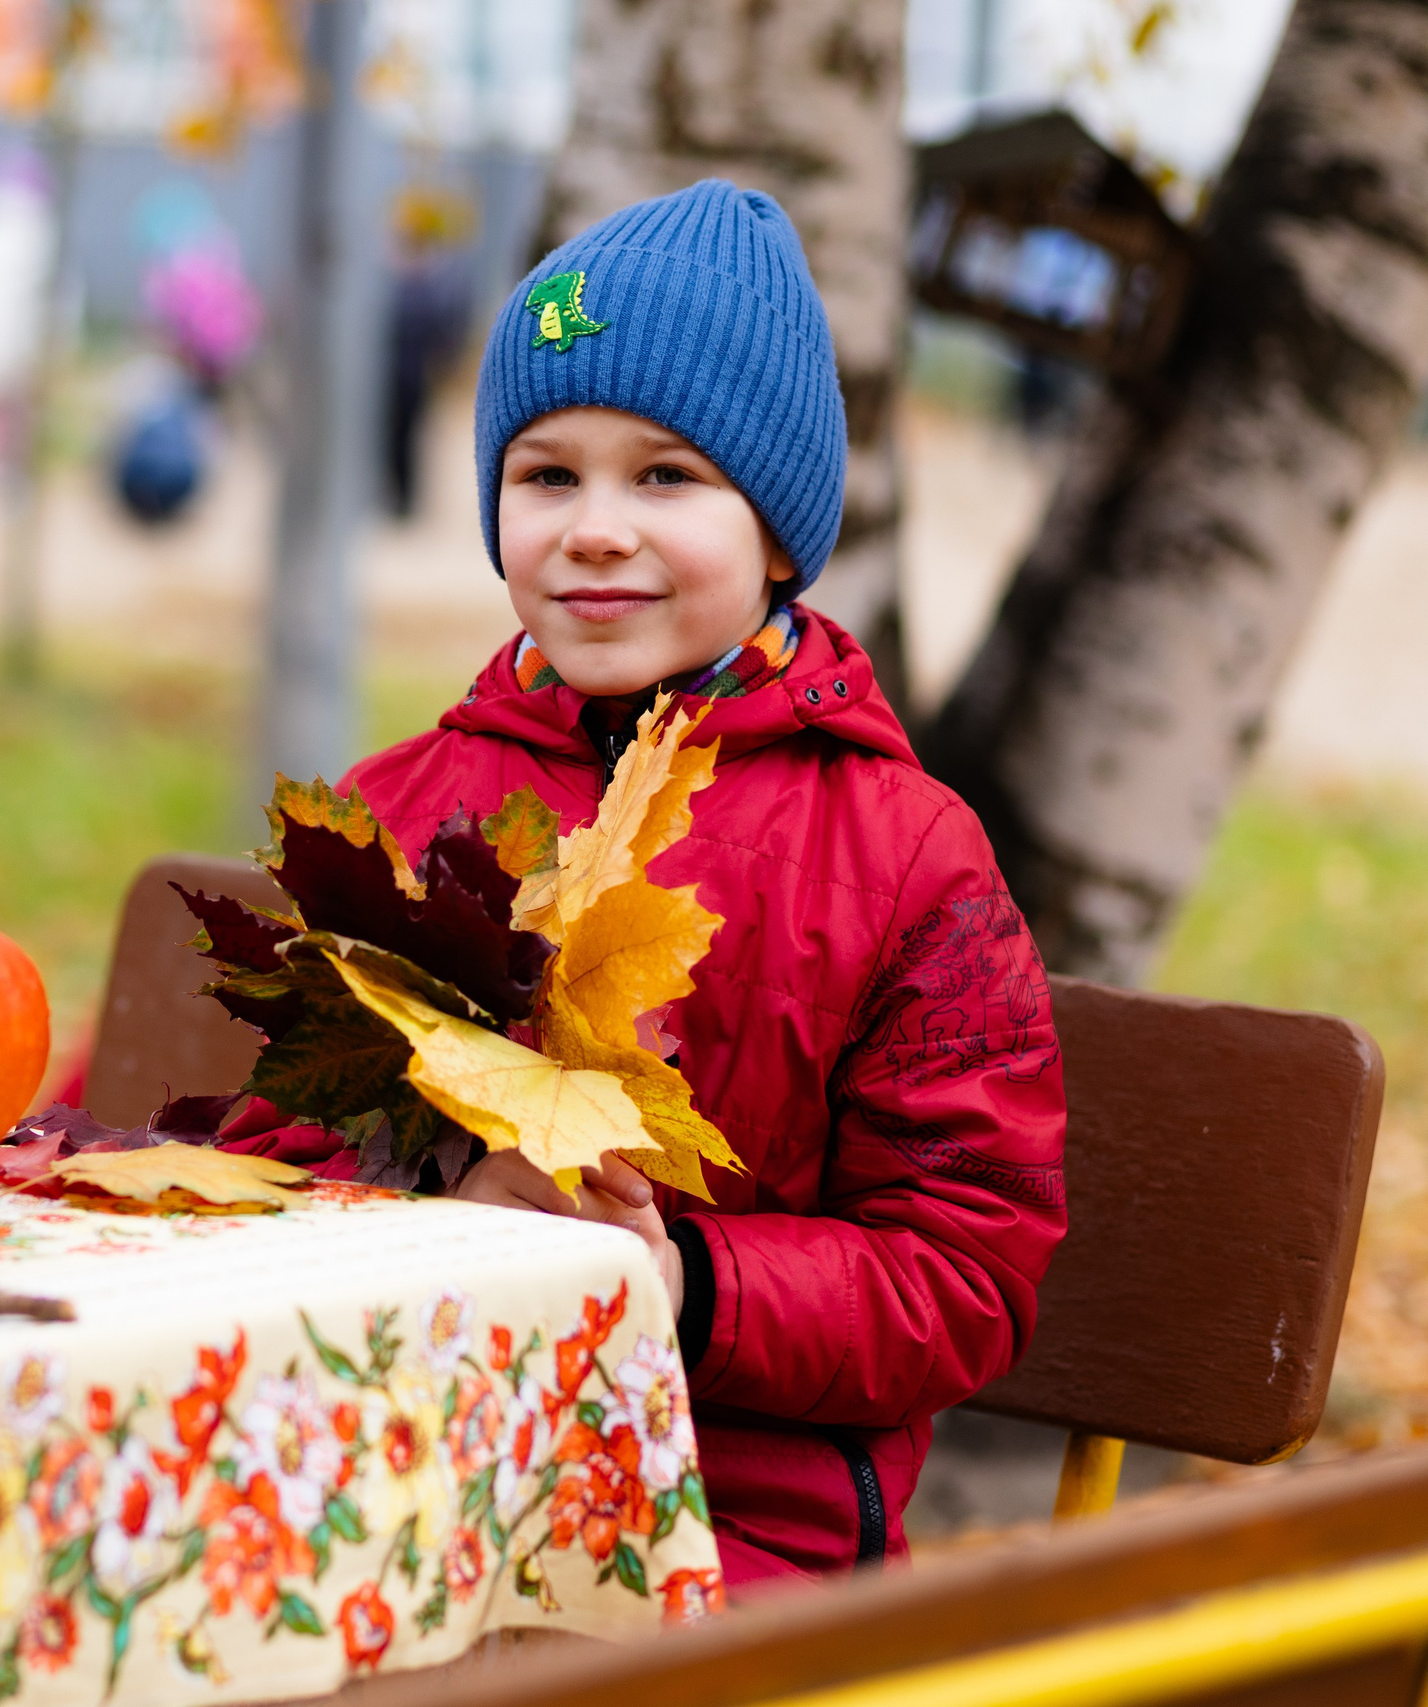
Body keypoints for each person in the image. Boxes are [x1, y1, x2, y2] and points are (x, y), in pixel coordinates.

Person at [339, 181, 1067, 1585]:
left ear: (782, 535)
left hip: (729, 1526)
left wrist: (683, 1286)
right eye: (547, 474)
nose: (596, 528)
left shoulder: (906, 857)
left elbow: (964, 1277)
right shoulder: (401, 808)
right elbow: (272, 1145)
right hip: (402, 1470)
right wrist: (432, 1198)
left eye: (666, 478)